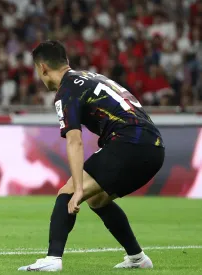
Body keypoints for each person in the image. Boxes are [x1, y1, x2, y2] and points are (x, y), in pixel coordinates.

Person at [18, 40, 165, 271]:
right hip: (154, 147)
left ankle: (53, 259)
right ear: (66, 61)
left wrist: (77, 188)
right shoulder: (89, 77)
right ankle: (137, 258)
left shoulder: (66, 91)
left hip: (130, 143)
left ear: (43, 68)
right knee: (97, 199)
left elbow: (74, 142)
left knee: (67, 192)